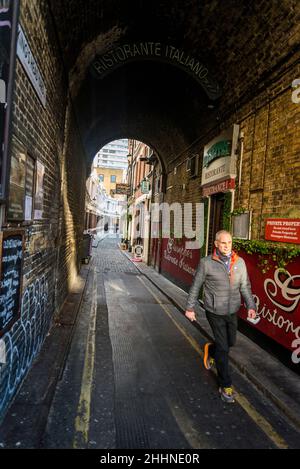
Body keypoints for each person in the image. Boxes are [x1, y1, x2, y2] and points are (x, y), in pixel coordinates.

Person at [185, 230, 256, 403]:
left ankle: (210, 350)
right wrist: (190, 307)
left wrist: (251, 306)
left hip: (232, 310)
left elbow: (245, 286)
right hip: (214, 310)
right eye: (223, 243)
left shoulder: (239, 262)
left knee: (230, 342)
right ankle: (226, 386)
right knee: (224, 349)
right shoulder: (206, 263)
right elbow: (196, 286)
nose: (227, 246)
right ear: (216, 244)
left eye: (229, 242)